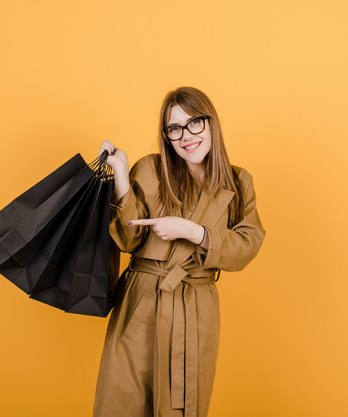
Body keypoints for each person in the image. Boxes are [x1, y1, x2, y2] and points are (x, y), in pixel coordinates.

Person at [92, 86, 266, 417]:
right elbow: (126, 241)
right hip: (141, 300)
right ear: (167, 136)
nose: (186, 136)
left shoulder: (239, 183)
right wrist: (121, 175)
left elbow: (247, 245)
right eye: (175, 128)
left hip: (196, 306)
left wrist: (193, 232)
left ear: (211, 123)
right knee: (122, 401)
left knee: (184, 403)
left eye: (194, 123)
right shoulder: (149, 170)